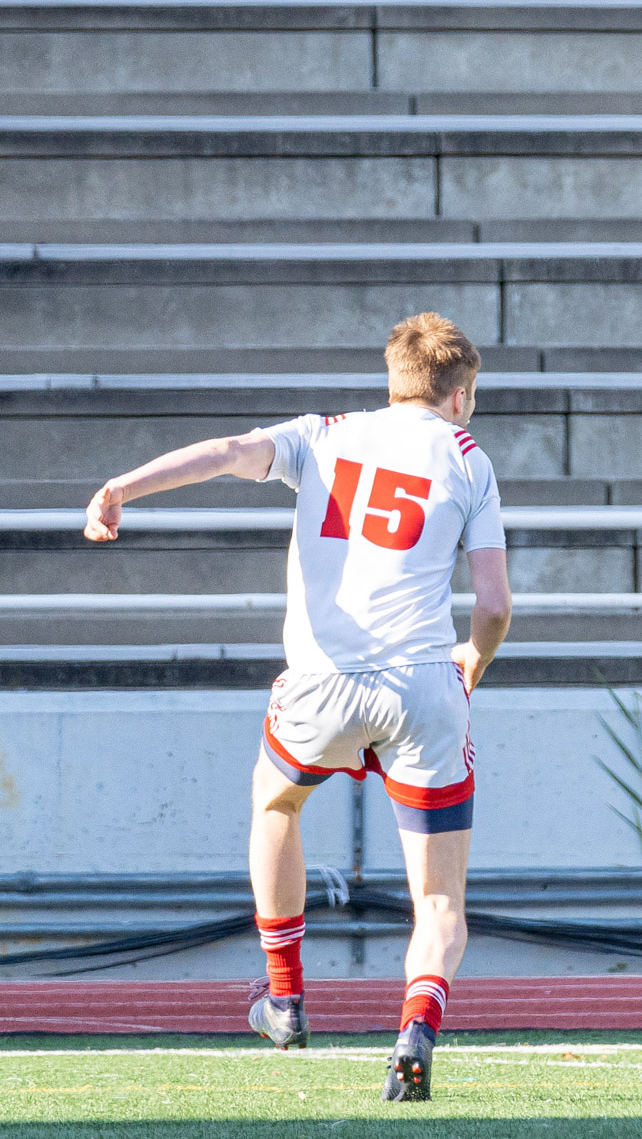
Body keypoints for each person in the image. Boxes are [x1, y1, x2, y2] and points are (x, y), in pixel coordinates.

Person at [83, 313, 511, 1102]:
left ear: (393, 380)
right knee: (442, 899)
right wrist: (471, 668)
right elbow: (492, 604)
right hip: (423, 685)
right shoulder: (468, 459)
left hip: (320, 682)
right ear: (460, 395)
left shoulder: (326, 433)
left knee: (277, 802)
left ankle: (284, 1000)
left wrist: (122, 488)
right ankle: (416, 1025)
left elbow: (222, 454)